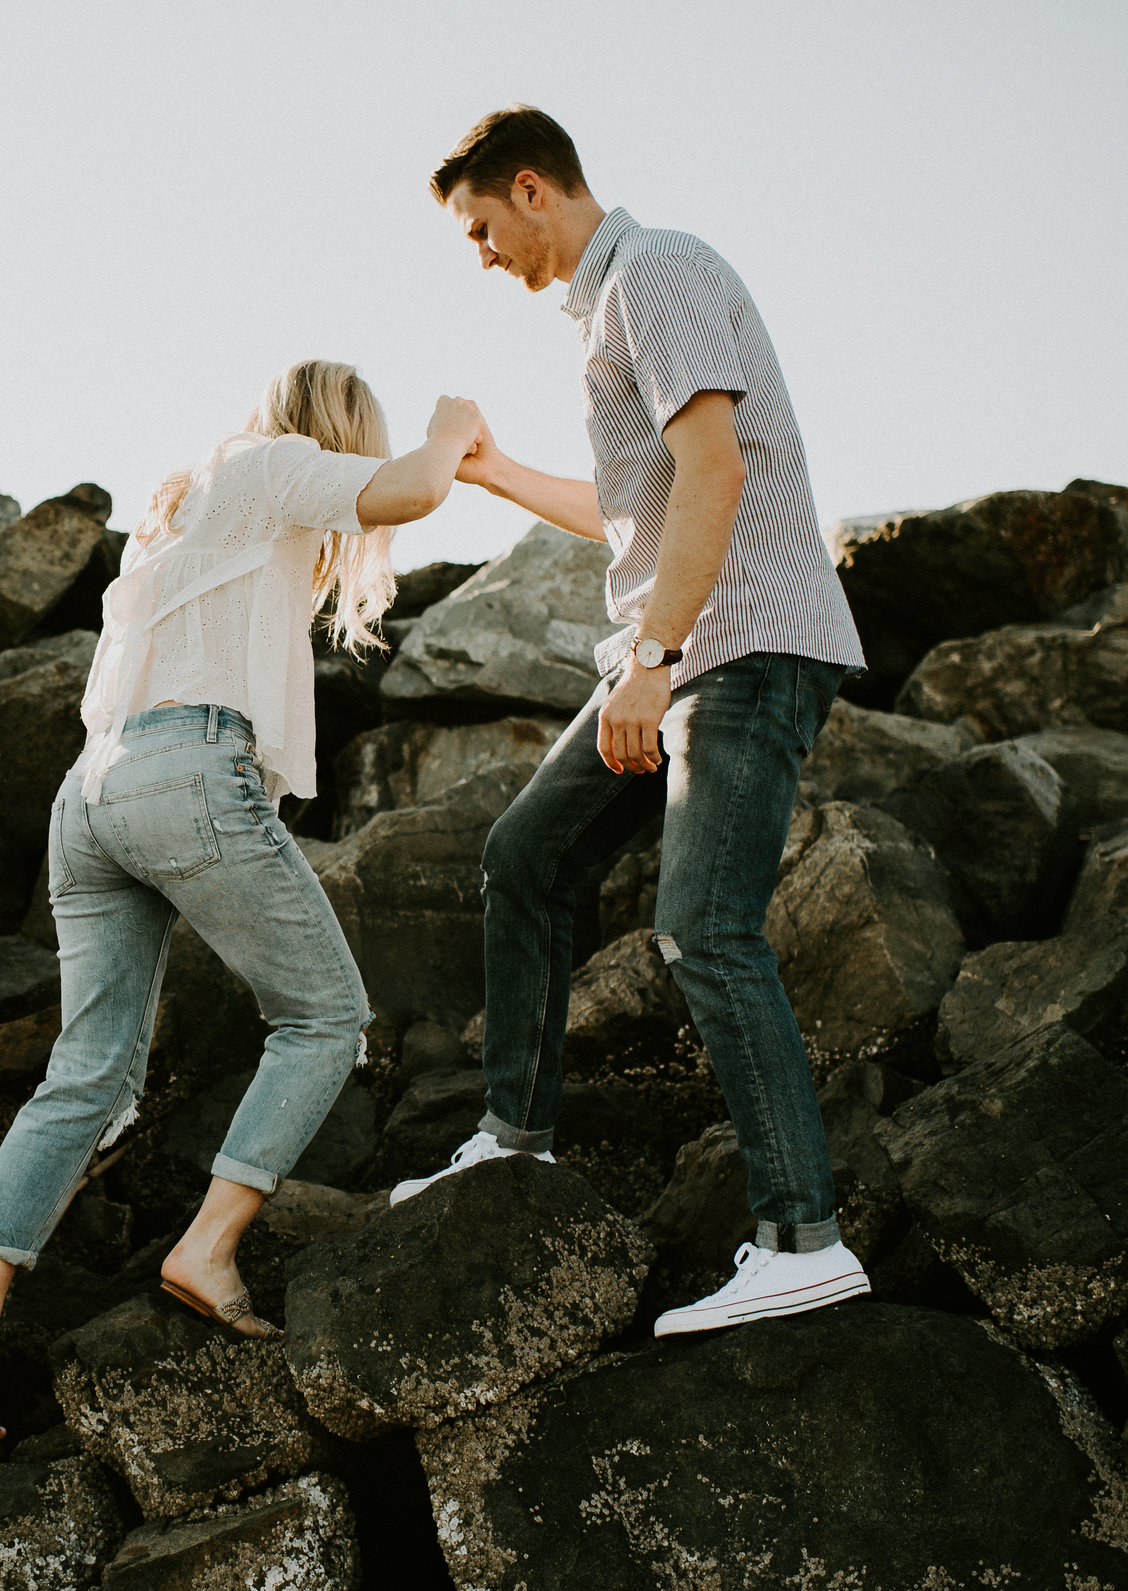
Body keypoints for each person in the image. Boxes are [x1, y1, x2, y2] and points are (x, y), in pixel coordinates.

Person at [0, 362, 487, 1454]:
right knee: (324, 1018)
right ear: (331, 434)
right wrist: (454, 431)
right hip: (184, 774)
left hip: (90, 796)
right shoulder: (268, 466)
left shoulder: (183, 515)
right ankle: (207, 1247)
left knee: (90, 1075)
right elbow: (410, 488)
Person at [390, 106, 872, 1339]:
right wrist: (494, 474)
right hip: (678, 651)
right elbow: (640, 515)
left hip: (741, 645)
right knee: (527, 854)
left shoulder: (651, 273)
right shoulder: (613, 309)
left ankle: (801, 1239)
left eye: (481, 227)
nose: (481, 254)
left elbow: (718, 473)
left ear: (535, 189)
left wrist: (653, 660)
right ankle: (514, 1139)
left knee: (704, 929)